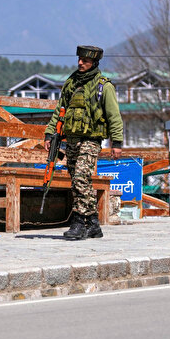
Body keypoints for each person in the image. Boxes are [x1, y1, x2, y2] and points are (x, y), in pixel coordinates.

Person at [44, 45, 123, 240]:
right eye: (79, 59)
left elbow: (114, 116)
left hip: (91, 140)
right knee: (78, 182)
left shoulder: (104, 86)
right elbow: (60, 110)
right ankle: (93, 224)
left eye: (85, 61)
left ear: (94, 63)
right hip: (71, 140)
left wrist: (117, 143)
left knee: (80, 178)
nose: (80, 63)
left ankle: (79, 223)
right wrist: (49, 133)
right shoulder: (71, 83)